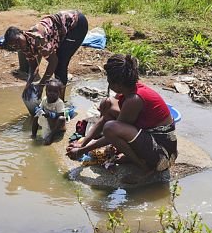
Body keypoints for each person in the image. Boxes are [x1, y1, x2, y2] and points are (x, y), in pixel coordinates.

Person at [66, 54, 177, 184]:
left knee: (110, 128)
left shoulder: (134, 99)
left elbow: (112, 132)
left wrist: (82, 151)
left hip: (162, 154)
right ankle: (136, 157)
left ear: (117, 84)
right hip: (150, 139)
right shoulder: (129, 89)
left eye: (108, 80)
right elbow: (106, 117)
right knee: (106, 104)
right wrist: (83, 143)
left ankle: (145, 167)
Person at [3, 10, 88, 101]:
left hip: (76, 23)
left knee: (60, 63)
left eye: (18, 41)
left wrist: (41, 84)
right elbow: (33, 66)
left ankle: (60, 102)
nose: (18, 45)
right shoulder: (24, 46)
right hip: (62, 30)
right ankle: (58, 101)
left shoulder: (37, 38)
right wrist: (28, 85)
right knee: (59, 61)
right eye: (14, 45)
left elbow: (53, 62)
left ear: (22, 33)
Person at [32, 79, 66, 145]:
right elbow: (40, 107)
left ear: (59, 93)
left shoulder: (59, 102)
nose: (52, 93)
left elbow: (61, 114)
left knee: (61, 118)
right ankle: (33, 135)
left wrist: (51, 114)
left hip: (57, 125)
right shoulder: (45, 99)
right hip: (47, 120)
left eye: (55, 92)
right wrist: (38, 109)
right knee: (35, 116)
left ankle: (51, 136)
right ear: (46, 91)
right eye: (49, 91)